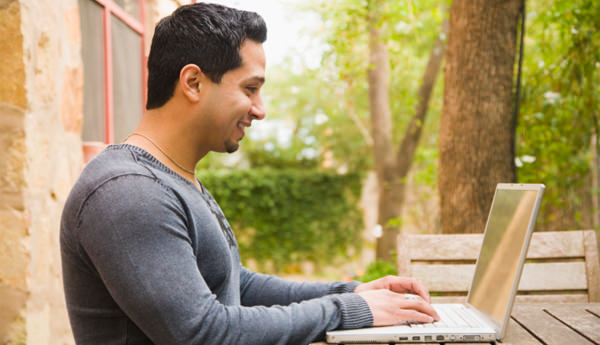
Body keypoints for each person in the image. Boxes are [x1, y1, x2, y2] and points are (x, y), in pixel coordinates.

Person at [60, 3, 439, 344]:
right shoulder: (126, 192)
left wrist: (353, 294)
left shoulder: (170, 177)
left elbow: (236, 285)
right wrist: (349, 311)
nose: (260, 110)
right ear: (193, 83)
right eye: (250, 88)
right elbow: (203, 333)